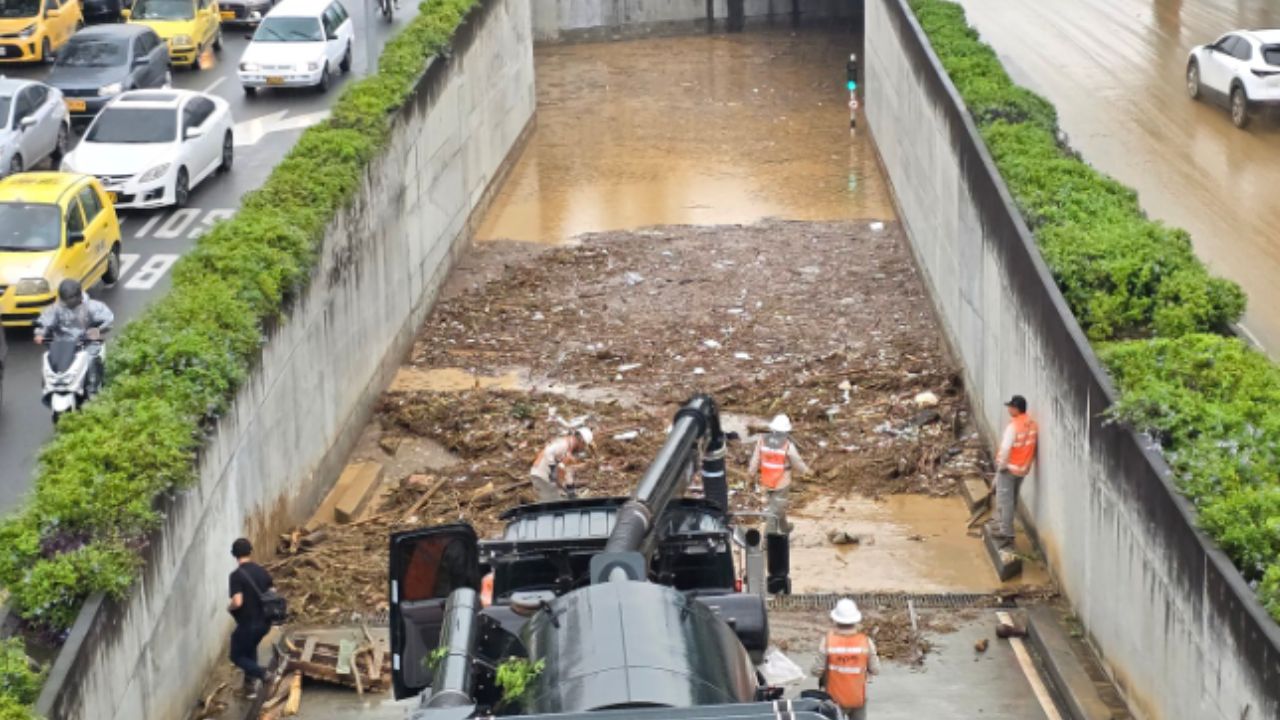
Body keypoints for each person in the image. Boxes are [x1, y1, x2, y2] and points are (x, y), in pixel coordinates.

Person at [33, 279, 114, 393]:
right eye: (64, 299)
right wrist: (40, 333)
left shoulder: (92, 306)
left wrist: (96, 331)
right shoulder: (57, 308)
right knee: (49, 362)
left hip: (87, 344)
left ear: (78, 296)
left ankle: (94, 391)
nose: (66, 302)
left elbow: (108, 320)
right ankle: (49, 388)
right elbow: (45, 321)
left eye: (69, 298)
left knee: (91, 362)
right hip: (63, 345)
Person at [812, 598, 879, 719]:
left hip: (833, 700)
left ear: (835, 620)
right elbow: (875, 669)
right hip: (858, 698)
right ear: (855, 620)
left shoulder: (827, 642)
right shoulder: (866, 642)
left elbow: (816, 671)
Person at [227, 538, 277, 698]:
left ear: (234, 554)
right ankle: (250, 689)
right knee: (250, 647)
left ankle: (264, 675)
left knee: (236, 655)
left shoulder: (236, 576)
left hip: (249, 624)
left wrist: (230, 607)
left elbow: (238, 601)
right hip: (265, 623)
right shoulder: (261, 571)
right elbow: (273, 592)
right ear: (250, 551)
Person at [990, 395, 1039, 549]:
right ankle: (1005, 526)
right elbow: (1031, 446)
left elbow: (1005, 449)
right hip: (1022, 469)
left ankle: (1007, 533)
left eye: (1011, 407)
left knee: (1005, 502)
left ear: (1016, 409)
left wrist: (1001, 466)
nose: (1009, 409)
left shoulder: (1014, 427)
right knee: (1012, 500)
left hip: (1009, 469)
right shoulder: (1031, 424)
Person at [747, 414, 809, 534]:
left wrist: (750, 475)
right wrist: (806, 471)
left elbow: (755, 460)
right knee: (774, 510)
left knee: (776, 505)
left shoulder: (762, 440)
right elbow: (797, 461)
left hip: (767, 480)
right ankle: (767, 540)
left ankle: (784, 527)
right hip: (782, 482)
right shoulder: (787, 444)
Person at [529, 427, 593, 502]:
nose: (582, 449)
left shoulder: (568, 451)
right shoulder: (564, 444)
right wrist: (552, 469)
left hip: (546, 479)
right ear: (581, 441)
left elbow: (565, 469)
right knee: (554, 503)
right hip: (540, 476)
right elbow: (548, 451)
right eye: (584, 446)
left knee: (558, 500)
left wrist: (570, 487)